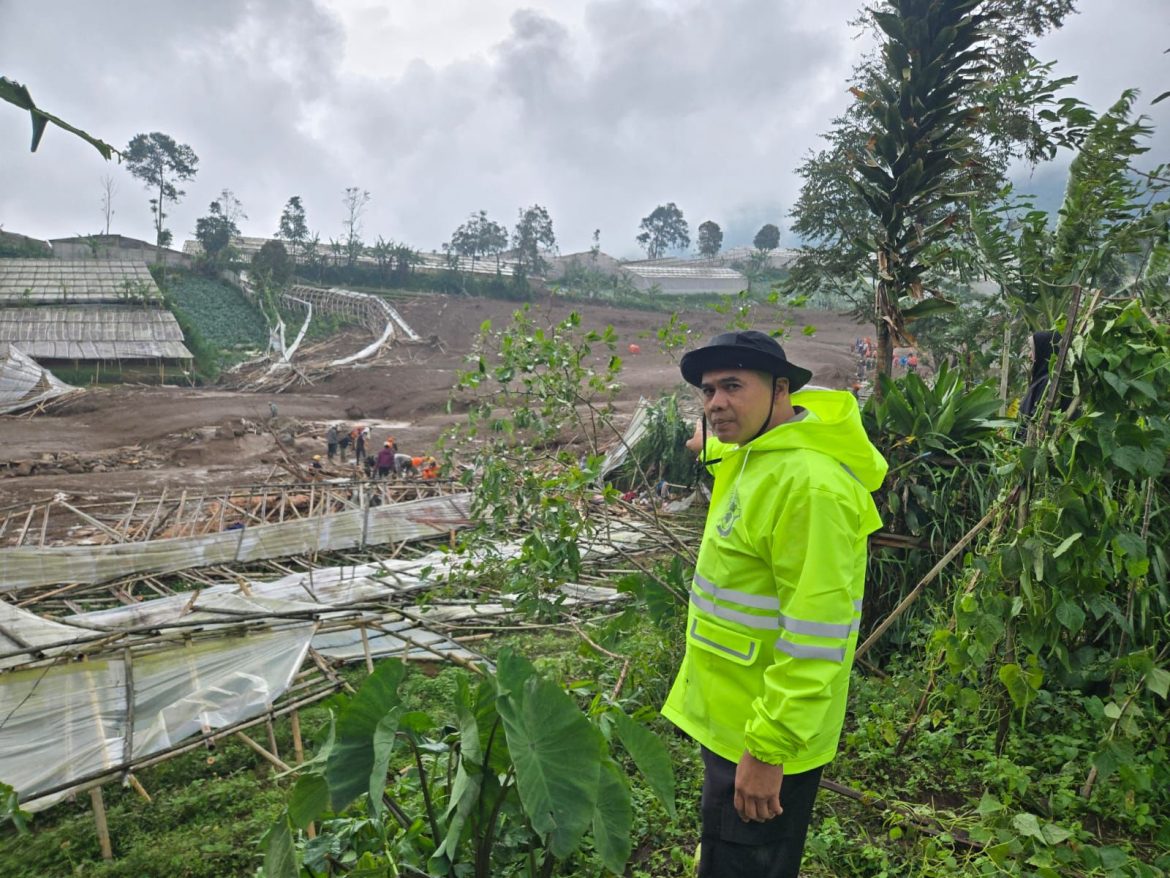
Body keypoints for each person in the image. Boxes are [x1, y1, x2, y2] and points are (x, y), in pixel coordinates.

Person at [662, 330, 887, 878]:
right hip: (732, 719)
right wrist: (705, 437)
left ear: (781, 389)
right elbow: (716, 442)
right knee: (724, 857)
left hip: (763, 736)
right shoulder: (751, 456)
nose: (716, 404)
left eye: (733, 386)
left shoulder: (810, 488)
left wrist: (768, 751)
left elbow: (818, 633)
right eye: (708, 391)